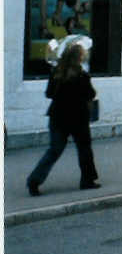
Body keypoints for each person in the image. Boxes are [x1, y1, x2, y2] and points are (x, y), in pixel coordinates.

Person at [26, 43, 99, 195]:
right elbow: (90, 94)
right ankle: (87, 180)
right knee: (84, 148)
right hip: (78, 118)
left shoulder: (56, 73)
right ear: (79, 58)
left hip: (57, 116)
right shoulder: (81, 75)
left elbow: (49, 94)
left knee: (54, 150)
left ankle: (34, 180)